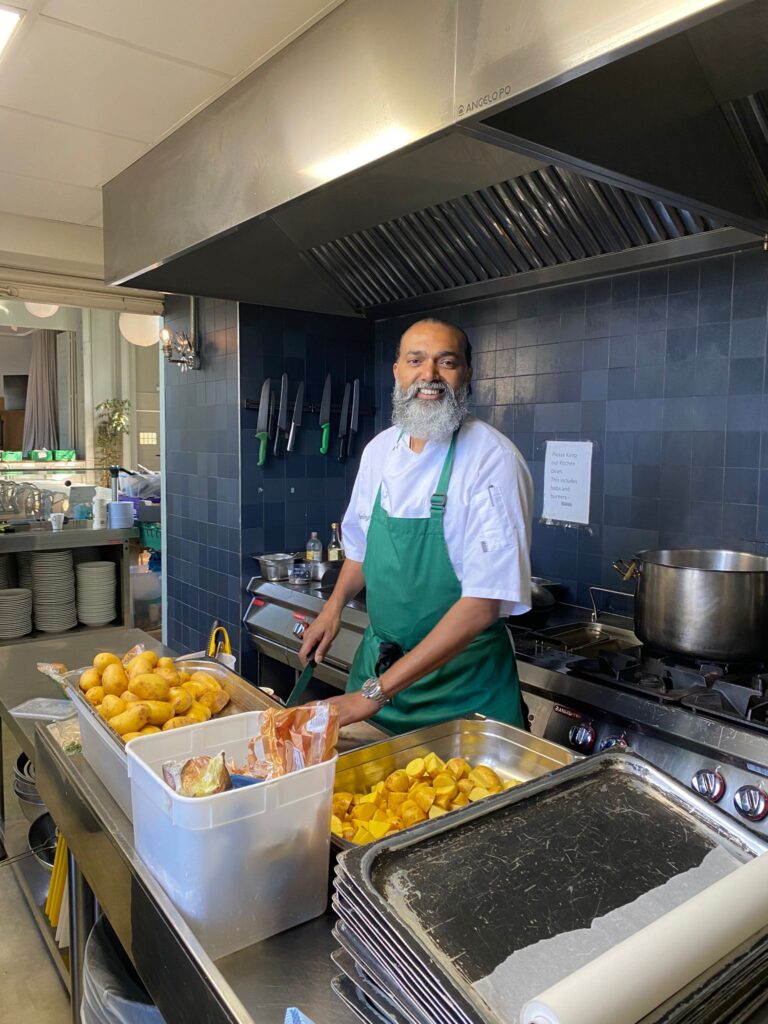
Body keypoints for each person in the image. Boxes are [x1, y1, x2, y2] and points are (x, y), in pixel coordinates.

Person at [298, 318, 533, 732]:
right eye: (416, 360)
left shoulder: (491, 459)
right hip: (379, 675)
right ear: (397, 371)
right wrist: (331, 610)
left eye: (447, 362)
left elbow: (483, 604)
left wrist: (373, 694)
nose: (430, 375)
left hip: (462, 698)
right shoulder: (379, 451)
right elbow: (360, 548)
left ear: (467, 374)